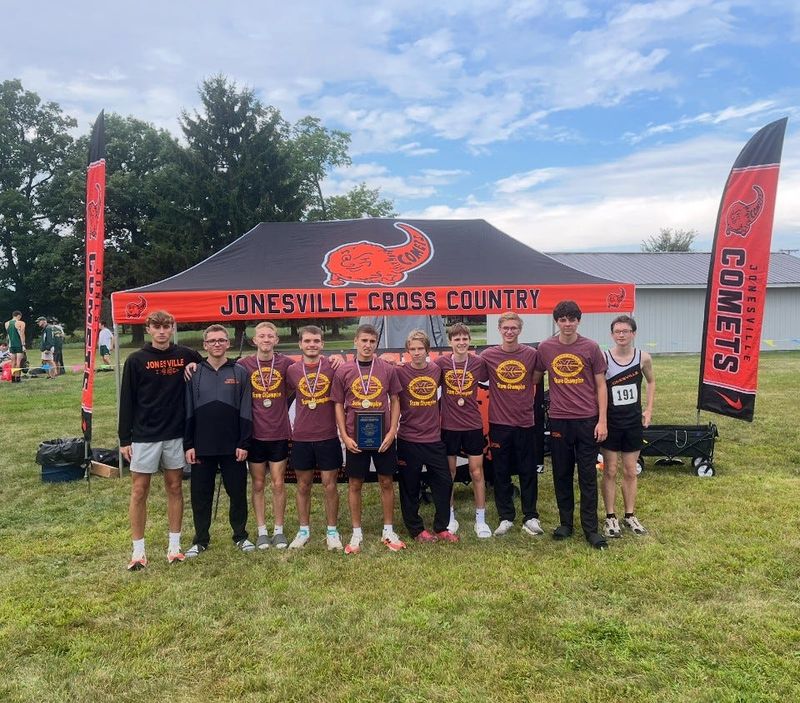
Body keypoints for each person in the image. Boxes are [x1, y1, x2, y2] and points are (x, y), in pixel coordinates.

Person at [119, 310, 203, 571]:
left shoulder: (185, 354)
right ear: (148, 329)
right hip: (145, 436)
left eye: (167, 326)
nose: (162, 331)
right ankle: (138, 551)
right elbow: (127, 401)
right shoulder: (135, 360)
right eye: (157, 326)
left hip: (176, 434)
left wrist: (195, 366)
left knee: (175, 487)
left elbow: (210, 367)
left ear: (173, 328)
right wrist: (125, 438)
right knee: (139, 490)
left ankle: (174, 547)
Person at [533, 300, 608, 550]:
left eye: (572, 319)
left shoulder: (591, 347)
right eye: (563, 320)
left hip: (587, 420)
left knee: (587, 475)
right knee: (562, 473)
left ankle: (591, 529)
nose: (567, 324)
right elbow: (535, 376)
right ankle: (566, 524)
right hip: (558, 420)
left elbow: (601, 385)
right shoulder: (545, 348)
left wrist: (602, 420)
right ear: (557, 321)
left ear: (579, 321)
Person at [332, 324, 404, 554]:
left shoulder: (386, 369)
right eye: (364, 340)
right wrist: (344, 434)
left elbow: (395, 400)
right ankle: (356, 531)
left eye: (372, 342)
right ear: (355, 342)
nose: (368, 345)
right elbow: (337, 404)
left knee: (386, 482)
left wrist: (392, 431)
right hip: (356, 437)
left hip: (382, 437)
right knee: (355, 484)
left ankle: (388, 529)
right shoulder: (343, 370)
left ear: (376, 344)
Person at [184, 325, 254, 557]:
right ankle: (201, 539)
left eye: (221, 340)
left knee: (237, 493)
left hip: (232, 446)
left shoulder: (240, 372)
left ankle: (240, 535)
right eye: (212, 340)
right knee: (200, 494)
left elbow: (246, 410)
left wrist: (243, 443)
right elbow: (188, 410)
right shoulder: (193, 373)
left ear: (228, 344)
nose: (217, 344)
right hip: (202, 446)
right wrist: (189, 444)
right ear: (204, 345)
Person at [481, 312, 544, 538]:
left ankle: (530, 516)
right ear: (499, 329)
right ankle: (505, 517)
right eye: (506, 328)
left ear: (520, 329)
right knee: (501, 472)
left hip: (525, 422)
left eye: (514, 328)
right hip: (499, 423)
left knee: (528, 470)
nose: (510, 332)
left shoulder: (531, 354)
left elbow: (536, 379)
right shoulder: (488, 355)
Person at [285, 325, 344, 551]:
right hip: (301, 437)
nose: (312, 345)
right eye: (307, 341)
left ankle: (332, 530)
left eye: (316, 341)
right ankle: (304, 530)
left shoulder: (333, 366)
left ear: (322, 344)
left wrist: (338, 357)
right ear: (300, 344)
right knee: (303, 485)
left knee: (330, 486)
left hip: (328, 436)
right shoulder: (292, 370)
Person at [396, 330, 457, 543]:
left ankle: (442, 527)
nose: (416, 353)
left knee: (444, 483)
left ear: (427, 350)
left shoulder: (436, 370)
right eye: (412, 349)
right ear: (407, 351)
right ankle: (416, 529)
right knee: (409, 487)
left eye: (420, 348)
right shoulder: (400, 372)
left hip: (433, 439)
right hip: (408, 439)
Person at [237, 322, 294, 549]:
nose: (266, 340)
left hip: (279, 431)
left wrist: (335, 360)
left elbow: (309, 368)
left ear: (276, 340)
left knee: (279, 484)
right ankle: (262, 531)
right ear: (255, 340)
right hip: (254, 434)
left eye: (271, 336)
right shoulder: (244, 365)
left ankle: (278, 530)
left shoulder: (286, 364)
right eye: (262, 336)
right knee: (258, 484)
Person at [599, 315, 655, 538]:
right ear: (612, 334)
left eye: (625, 331)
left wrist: (649, 409)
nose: (621, 335)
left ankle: (629, 514)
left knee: (631, 470)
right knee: (610, 470)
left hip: (632, 422)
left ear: (633, 333)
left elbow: (651, 381)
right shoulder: (604, 359)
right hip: (612, 422)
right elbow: (599, 390)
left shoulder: (643, 358)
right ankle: (610, 516)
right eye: (617, 331)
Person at [435, 322, 492, 538]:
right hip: (448, 426)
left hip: (472, 425)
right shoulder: (440, 363)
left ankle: (481, 519)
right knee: (448, 474)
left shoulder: (478, 363)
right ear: (450, 342)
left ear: (469, 340)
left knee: (476, 472)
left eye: (464, 338)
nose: (461, 342)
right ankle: (450, 517)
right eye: (456, 339)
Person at [5, 311, 26, 383]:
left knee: (13, 362)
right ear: (19, 316)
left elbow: (8, 336)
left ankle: (13, 378)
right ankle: (18, 378)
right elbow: (22, 334)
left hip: (11, 345)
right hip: (18, 344)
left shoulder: (6, 323)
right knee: (18, 362)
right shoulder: (21, 323)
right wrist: (23, 345)